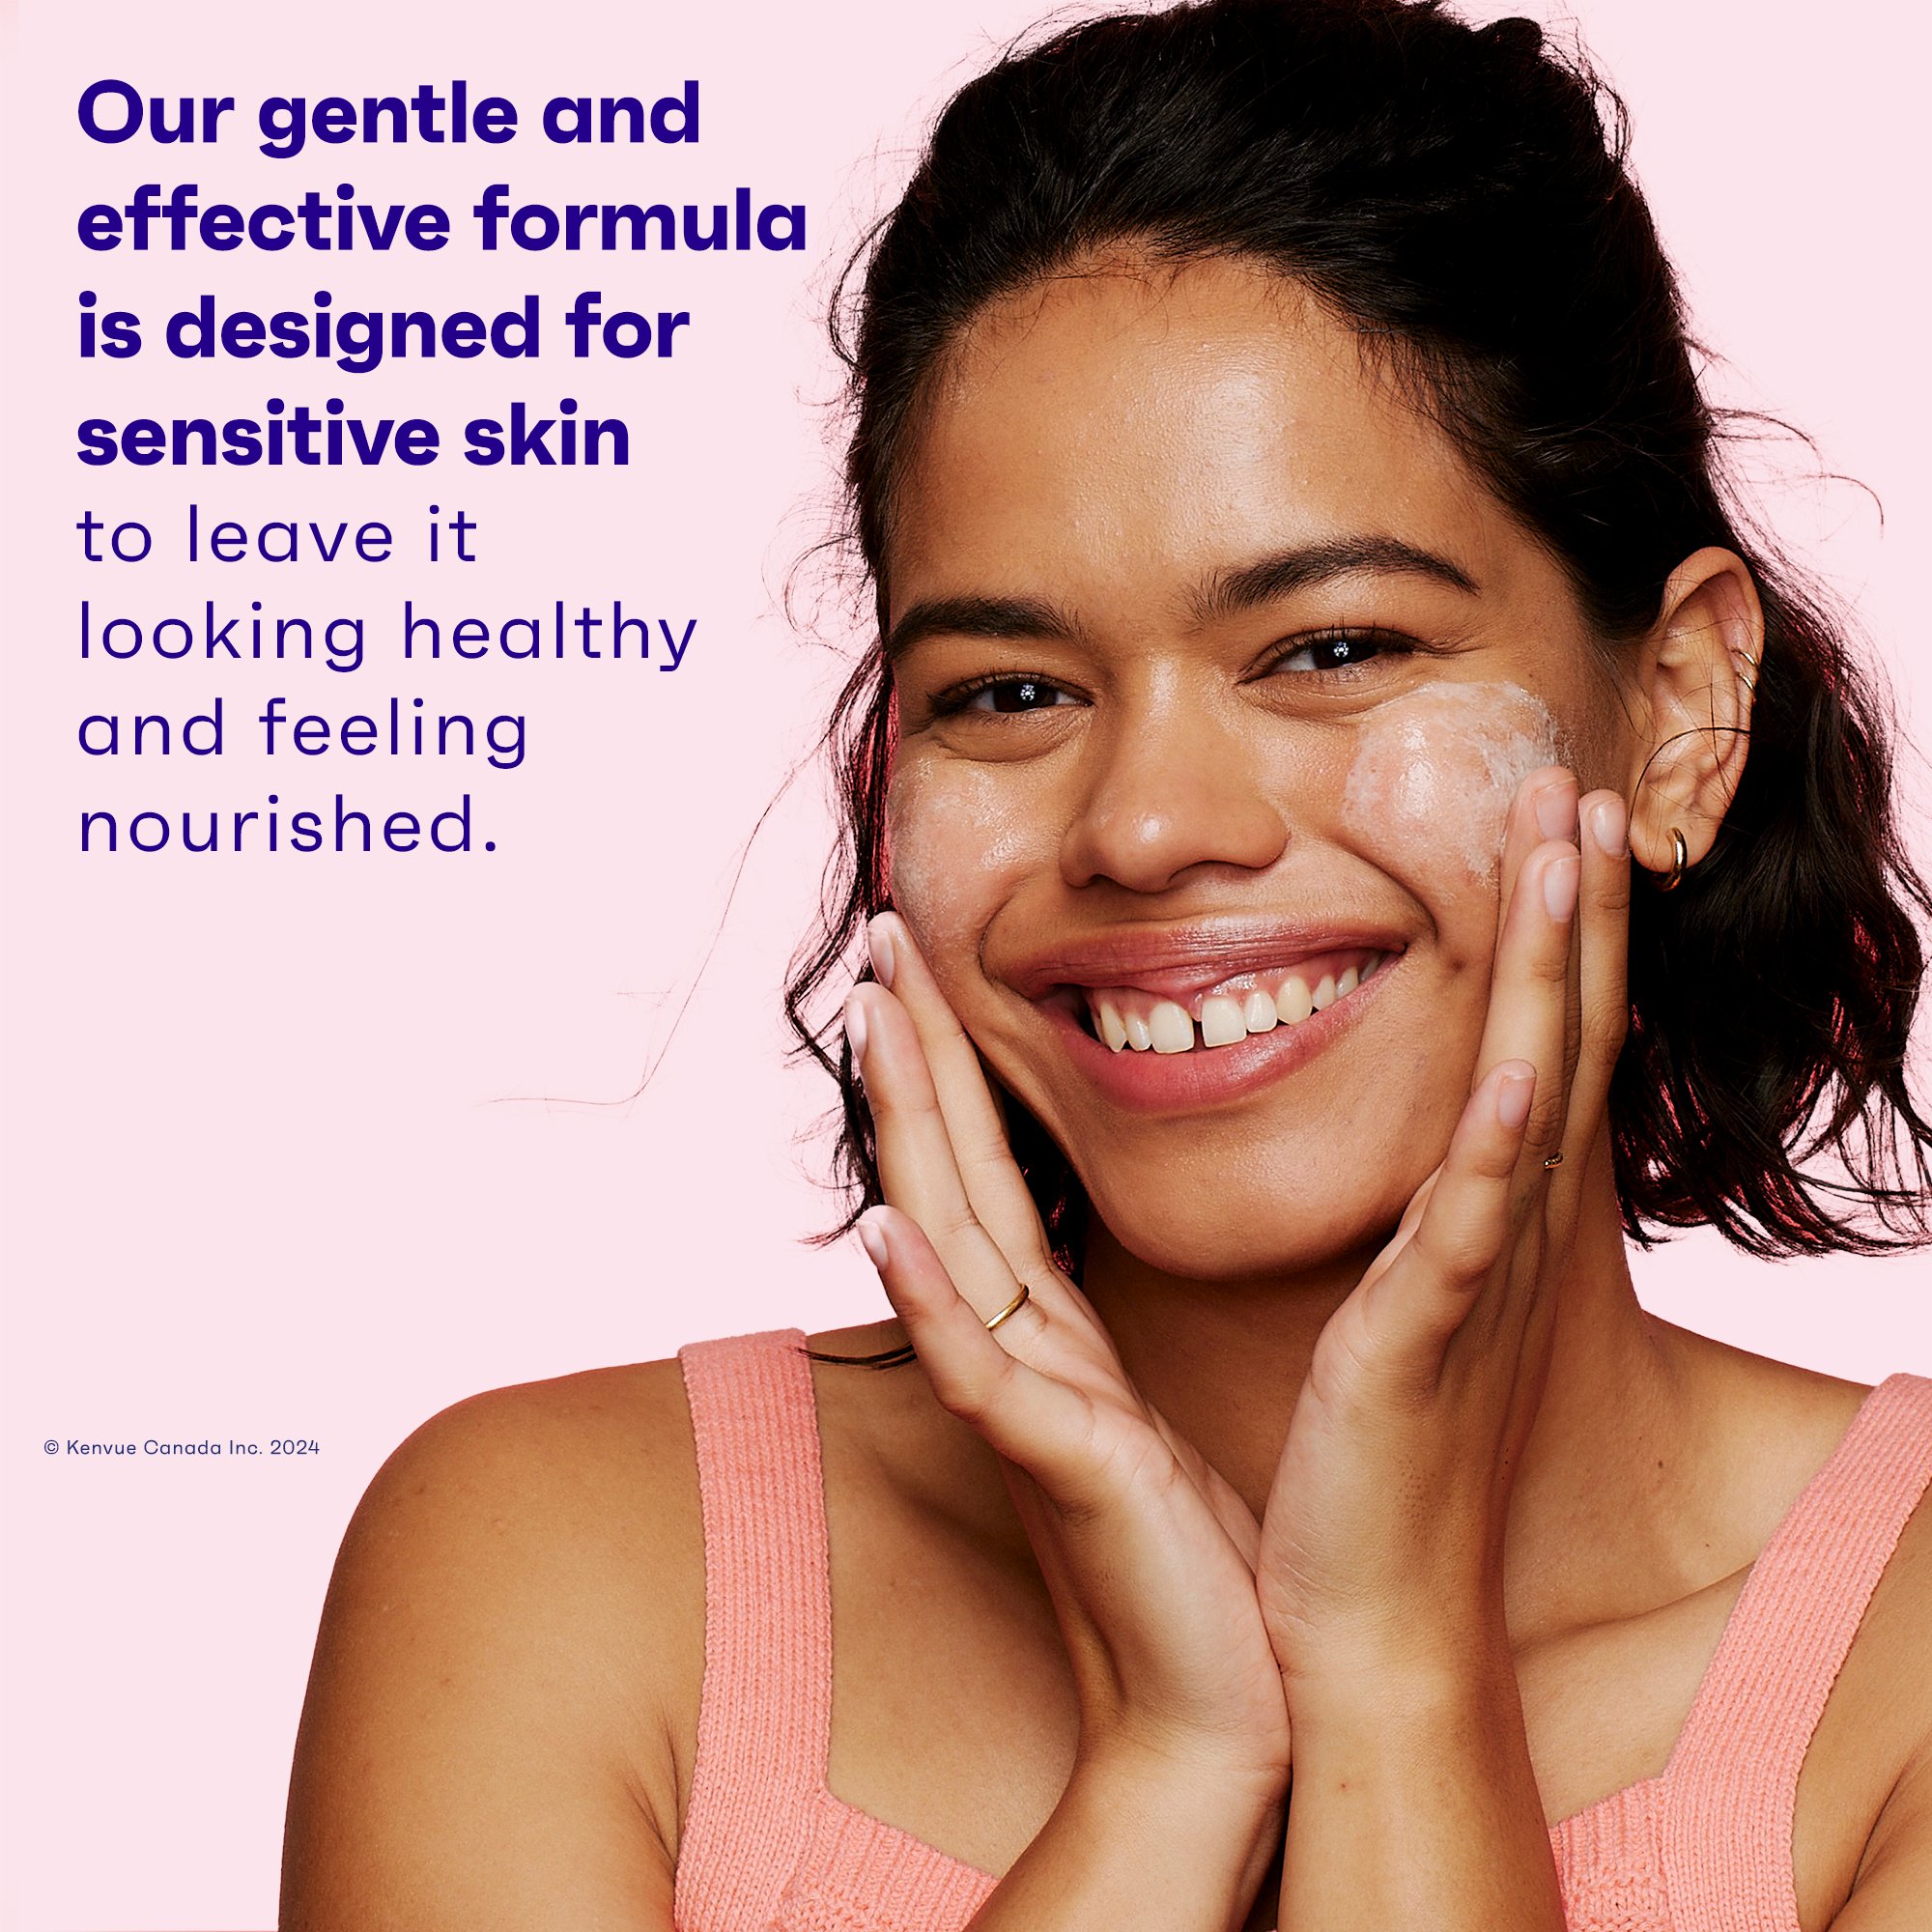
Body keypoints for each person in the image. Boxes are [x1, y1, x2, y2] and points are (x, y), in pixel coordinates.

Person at [277, 2, 1932, 1926]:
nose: (1145, 826)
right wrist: (1175, 1751)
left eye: (1329, 649)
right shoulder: (561, 1575)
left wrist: (1395, 1668)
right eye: (1011, 689)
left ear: (1671, 713)